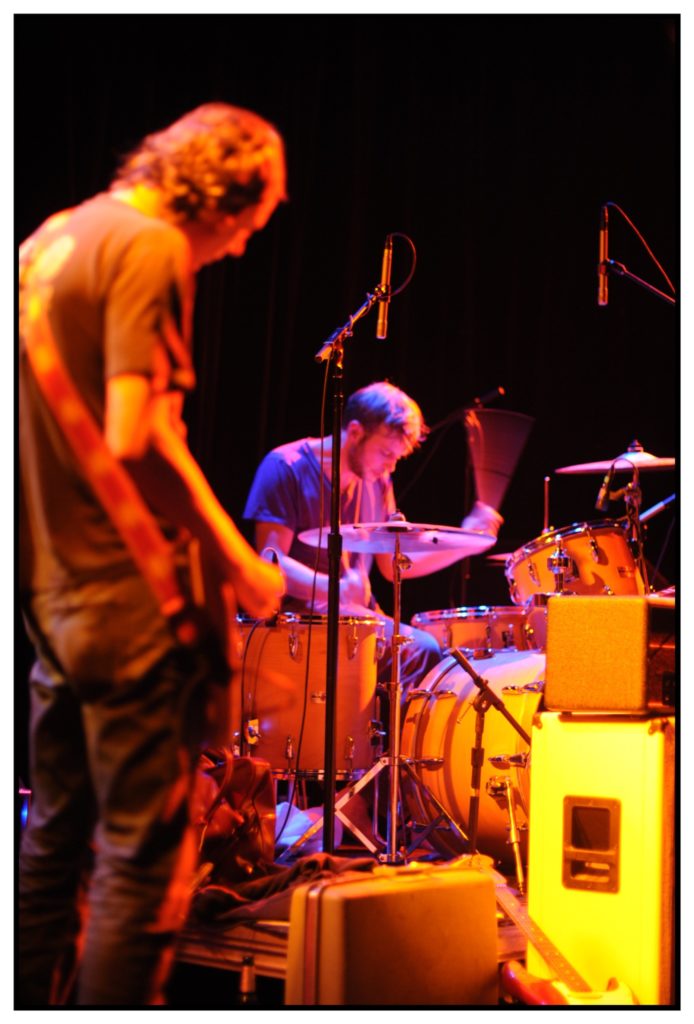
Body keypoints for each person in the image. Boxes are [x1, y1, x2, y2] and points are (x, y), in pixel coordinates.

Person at [18, 103, 287, 1007]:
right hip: (132, 599)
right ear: (222, 196)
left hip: (56, 593)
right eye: (248, 226)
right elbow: (138, 436)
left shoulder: (52, 240)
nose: (239, 249)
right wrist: (239, 563)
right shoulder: (150, 246)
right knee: (141, 866)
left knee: (52, 849)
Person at [243, 381, 503, 700]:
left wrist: (467, 541)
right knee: (422, 649)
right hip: (297, 623)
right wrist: (334, 588)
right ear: (355, 432)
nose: (390, 467)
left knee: (433, 657)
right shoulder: (286, 466)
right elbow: (270, 562)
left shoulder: (377, 481)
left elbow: (396, 565)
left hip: (357, 621)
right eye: (386, 454)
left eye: (397, 458)